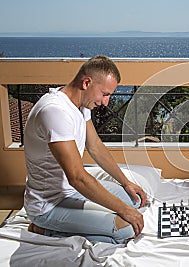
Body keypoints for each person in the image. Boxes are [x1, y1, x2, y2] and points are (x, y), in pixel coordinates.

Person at [23, 55, 147, 244]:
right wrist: (123, 211)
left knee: (134, 201)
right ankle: (44, 229)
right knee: (127, 229)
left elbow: (95, 146)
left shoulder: (81, 104)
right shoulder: (55, 111)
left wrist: (126, 183)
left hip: (70, 192)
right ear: (86, 82)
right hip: (48, 205)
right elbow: (77, 177)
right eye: (105, 94)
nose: (106, 102)